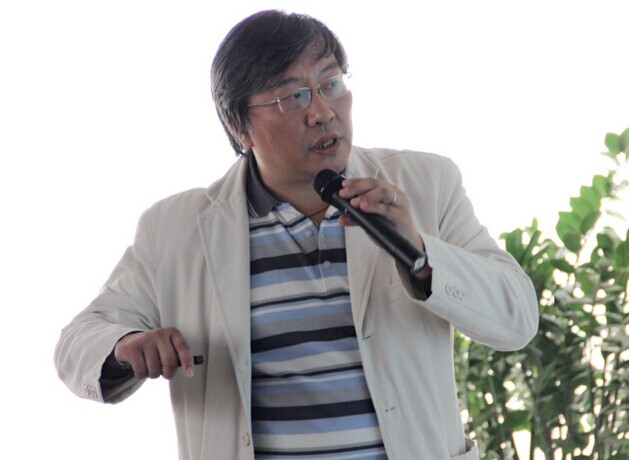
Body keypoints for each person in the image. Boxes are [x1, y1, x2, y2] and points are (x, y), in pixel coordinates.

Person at [54, 9, 539, 460]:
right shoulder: (175, 229)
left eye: (331, 83)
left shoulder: (426, 184)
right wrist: (125, 347)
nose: (322, 111)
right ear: (239, 126)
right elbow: (78, 342)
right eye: (293, 97)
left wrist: (420, 253)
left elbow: (517, 317)